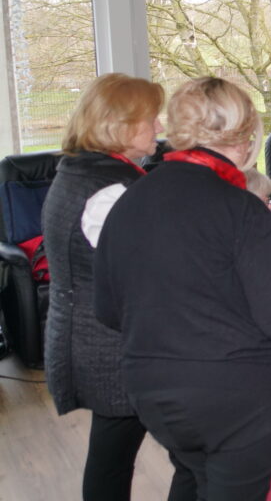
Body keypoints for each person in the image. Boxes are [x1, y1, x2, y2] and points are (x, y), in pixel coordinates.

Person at [94, 77, 271, 500]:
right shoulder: (240, 208)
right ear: (245, 137)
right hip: (240, 404)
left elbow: (108, 309)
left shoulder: (131, 201)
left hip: (156, 395)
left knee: (194, 478)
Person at [41, 74, 191, 501]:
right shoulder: (108, 192)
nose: (159, 127)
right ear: (119, 126)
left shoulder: (84, 171)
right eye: (150, 119)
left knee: (112, 455)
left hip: (96, 339)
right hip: (112, 347)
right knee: (194, 455)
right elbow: (155, 271)